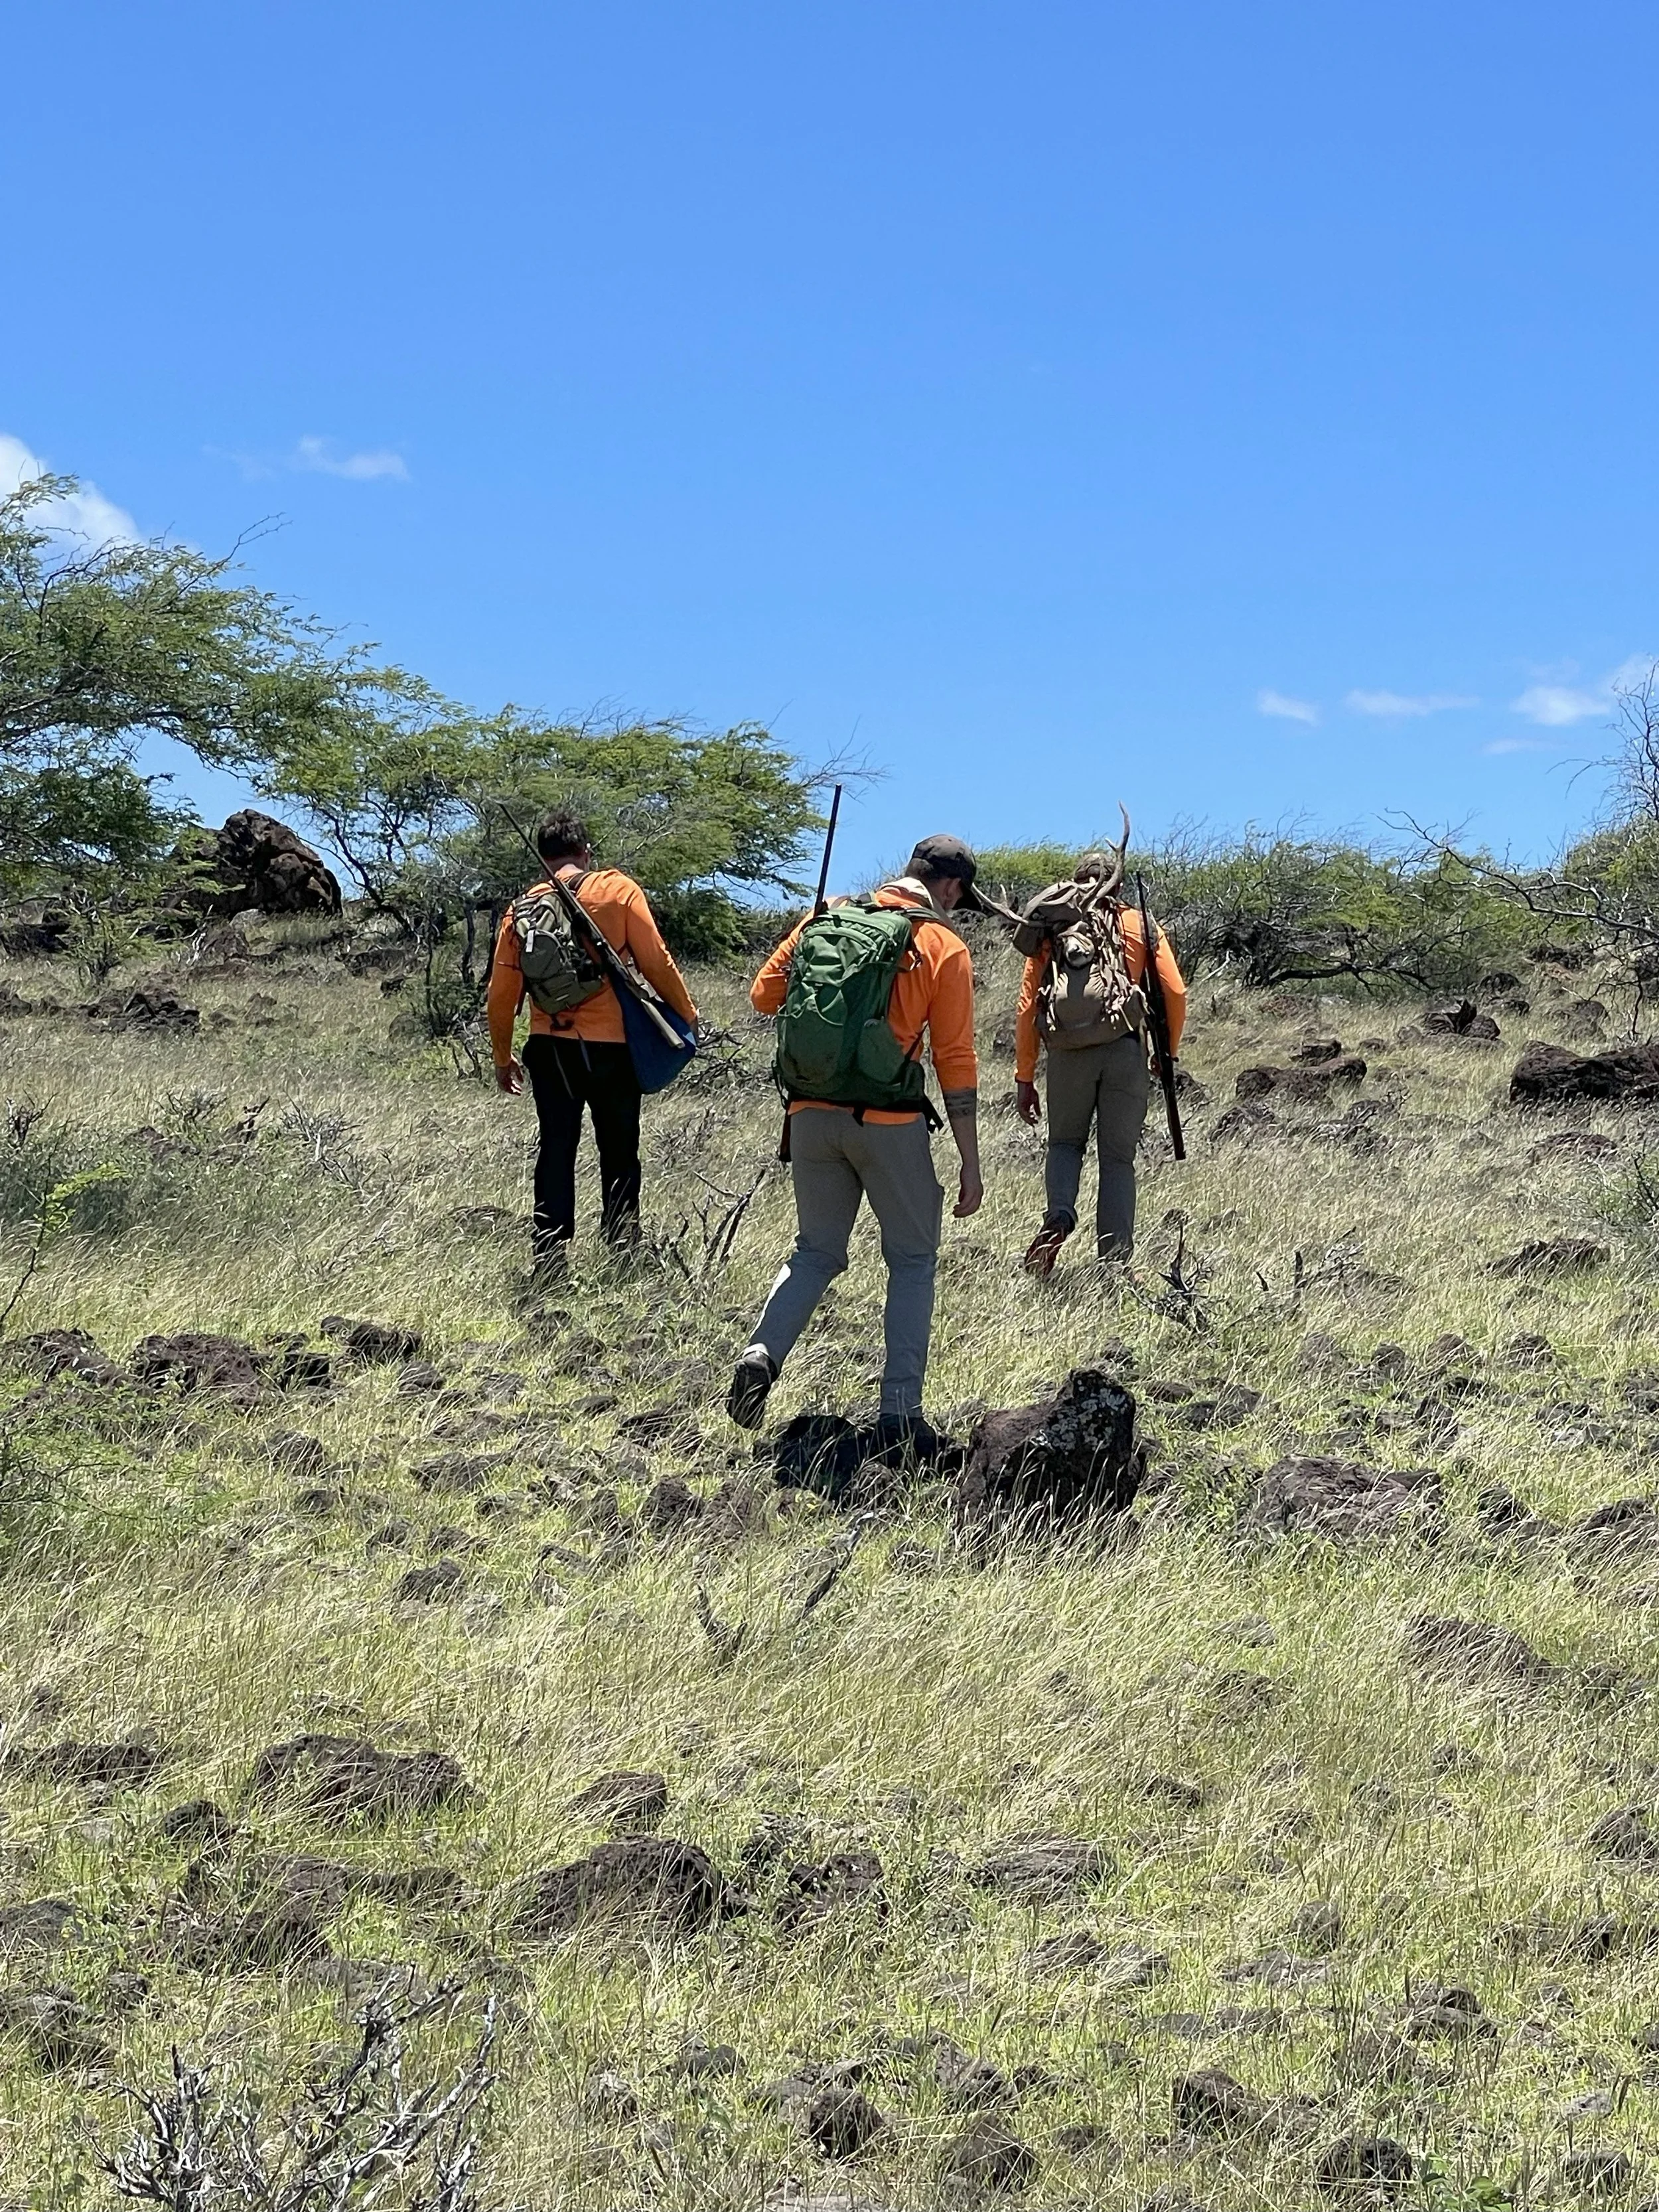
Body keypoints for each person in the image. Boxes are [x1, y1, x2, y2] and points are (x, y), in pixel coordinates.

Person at [727, 834, 985, 1451]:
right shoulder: (942, 945)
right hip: (887, 1123)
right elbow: (954, 1058)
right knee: (913, 1261)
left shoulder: (827, 914)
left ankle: (762, 1354)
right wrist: (971, 1160)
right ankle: (899, 1415)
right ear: (949, 888)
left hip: (811, 1115)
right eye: (960, 897)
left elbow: (764, 995)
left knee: (815, 1251)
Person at [488, 811, 697, 1274]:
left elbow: (501, 996)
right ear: (586, 853)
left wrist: (503, 1058)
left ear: (544, 858)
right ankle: (622, 1248)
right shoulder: (618, 890)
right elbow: (656, 962)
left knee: (556, 1146)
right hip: (613, 1048)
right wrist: (686, 1012)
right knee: (619, 1148)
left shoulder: (521, 909)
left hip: (550, 1047)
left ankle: (548, 1256)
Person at [1015, 853, 1186, 1275]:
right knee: (1117, 1160)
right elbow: (1175, 992)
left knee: (1064, 1145)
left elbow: (1026, 1006)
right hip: (1124, 1050)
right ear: (1119, 886)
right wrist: (1167, 1053)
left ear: (1075, 884)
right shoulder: (1139, 924)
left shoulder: (1055, 927)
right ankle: (1114, 1267)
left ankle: (1059, 1215)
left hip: (1067, 1055)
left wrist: (1024, 1075)